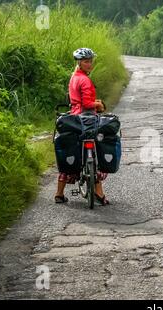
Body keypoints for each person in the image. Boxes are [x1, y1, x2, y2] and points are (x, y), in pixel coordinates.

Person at [54, 48, 110, 205]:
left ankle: (59, 193)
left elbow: (76, 99)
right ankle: (99, 193)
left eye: (91, 61)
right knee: (96, 150)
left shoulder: (74, 77)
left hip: (74, 118)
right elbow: (86, 103)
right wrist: (98, 105)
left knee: (72, 151)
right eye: (86, 61)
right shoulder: (85, 80)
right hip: (87, 118)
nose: (89, 64)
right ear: (79, 62)